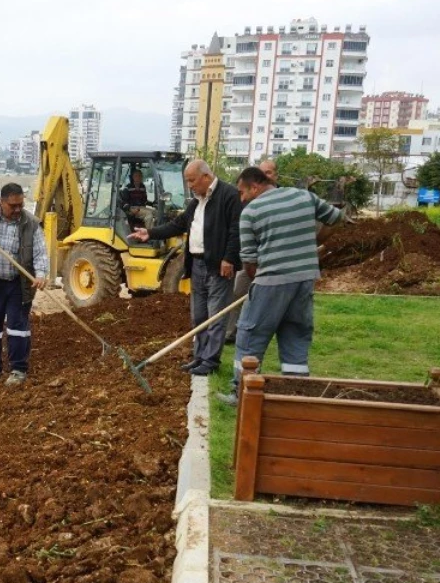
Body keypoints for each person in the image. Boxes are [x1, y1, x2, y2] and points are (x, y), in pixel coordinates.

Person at [218, 166, 343, 406]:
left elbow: (249, 260)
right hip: (304, 280)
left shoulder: (251, 212)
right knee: (295, 333)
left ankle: (240, 392)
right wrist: (314, 241)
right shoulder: (304, 196)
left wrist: (258, 283)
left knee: (250, 333)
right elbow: (335, 218)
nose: (242, 199)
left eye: (242, 192)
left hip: (270, 281)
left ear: (255, 186)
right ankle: (296, 392)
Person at [129, 158, 242, 376]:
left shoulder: (228, 196)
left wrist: (229, 258)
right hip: (197, 264)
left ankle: (210, 361)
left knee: (215, 316)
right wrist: (150, 233)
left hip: (218, 266)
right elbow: (178, 225)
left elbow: (236, 230)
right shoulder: (196, 201)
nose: (189, 186)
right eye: (188, 181)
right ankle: (199, 356)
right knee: (199, 316)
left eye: (192, 181)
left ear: (206, 177)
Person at [0, 182, 49, 386]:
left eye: (20, 205)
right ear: (2, 202)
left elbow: (40, 253)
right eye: (12, 205)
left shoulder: (30, 223)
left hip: (18, 284)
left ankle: (18, 369)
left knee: (17, 326)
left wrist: (40, 275)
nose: (17, 210)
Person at [226, 158, 278, 344]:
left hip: (271, 264)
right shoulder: (247, 202)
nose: (265, 175)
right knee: (238, 291)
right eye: (262, 172)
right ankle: (231, 332)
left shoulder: (280, 201)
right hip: (251, 262)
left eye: (269, 172)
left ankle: (260, 333)